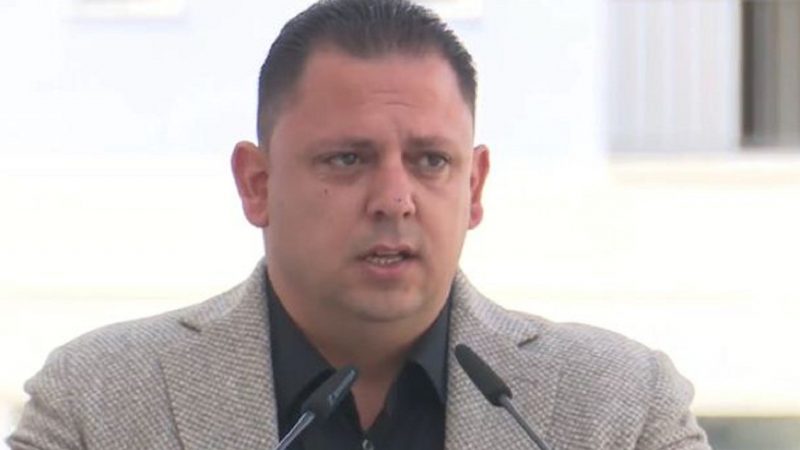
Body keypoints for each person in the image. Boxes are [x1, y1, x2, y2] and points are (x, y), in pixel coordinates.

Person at [8, 0, 711, 449]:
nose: (395, 200)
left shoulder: (621, 410)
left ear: (473, 188)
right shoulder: (97, 404)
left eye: (431, 161)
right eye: (347, 159)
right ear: (257, 185)